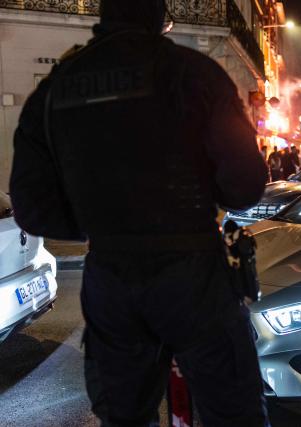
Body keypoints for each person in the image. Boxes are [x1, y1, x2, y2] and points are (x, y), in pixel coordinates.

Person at [9, 1, 270, 425]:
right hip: (194, 274)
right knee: (234, 410)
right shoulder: (194, 73)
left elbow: (33, 206)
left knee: (124, 414)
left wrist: (101, 225)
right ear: (161, 16)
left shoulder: (57, 86)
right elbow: (245, 185)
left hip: (112, 276)